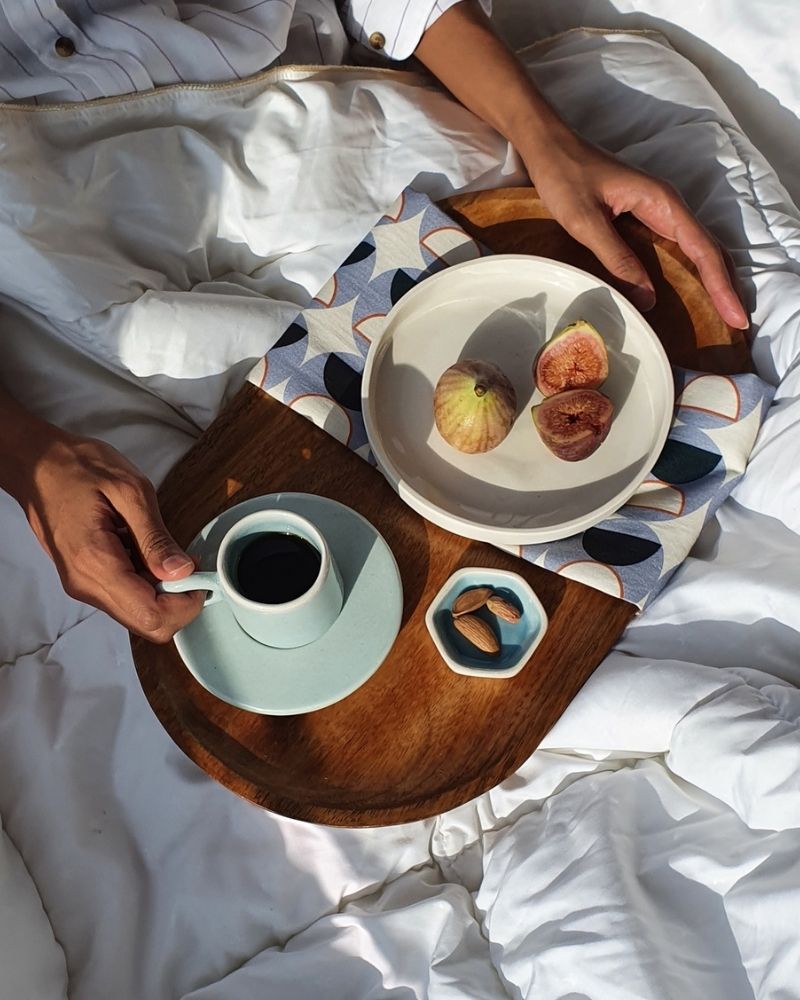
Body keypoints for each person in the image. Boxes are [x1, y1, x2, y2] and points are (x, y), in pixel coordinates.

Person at [0, 1, 748, 643]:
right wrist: (28, 460)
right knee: (216, 584)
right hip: (35, 241)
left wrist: (550, 140)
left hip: (305, 121)